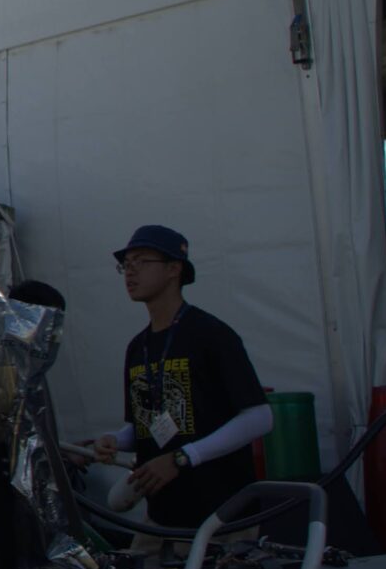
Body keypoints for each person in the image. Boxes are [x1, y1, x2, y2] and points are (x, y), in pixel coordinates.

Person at [90, 225, 271, 531]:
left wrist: (182, 458)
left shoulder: (211, 335)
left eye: (142, 261)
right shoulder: (138, 346)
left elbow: (260, 417)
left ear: (174, 269)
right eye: (126, 264)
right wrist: (116, 441)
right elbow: (145, 425)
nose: (129, 272)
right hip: (163, 517)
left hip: (221, 519)